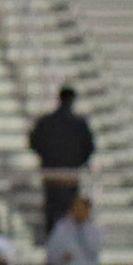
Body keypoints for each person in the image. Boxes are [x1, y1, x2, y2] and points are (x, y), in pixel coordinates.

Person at [29, 86, 94, 234]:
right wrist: (77, 162)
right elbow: (89, 147)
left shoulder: (46, 121)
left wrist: (47, 159)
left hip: (52, 173)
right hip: (70, 175)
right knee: (69, 208)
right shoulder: (79, 124)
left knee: (53, 208)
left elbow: (34, 142)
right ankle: (68, 238)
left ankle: (52, 236)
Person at [45, 195, 103, 265]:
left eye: (82, 210)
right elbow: (51, 256)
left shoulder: (94, 228)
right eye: (77, 209)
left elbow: (96, 249)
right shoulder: (61, 228)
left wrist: (83, 230)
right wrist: (62, 257)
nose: (79, 213)